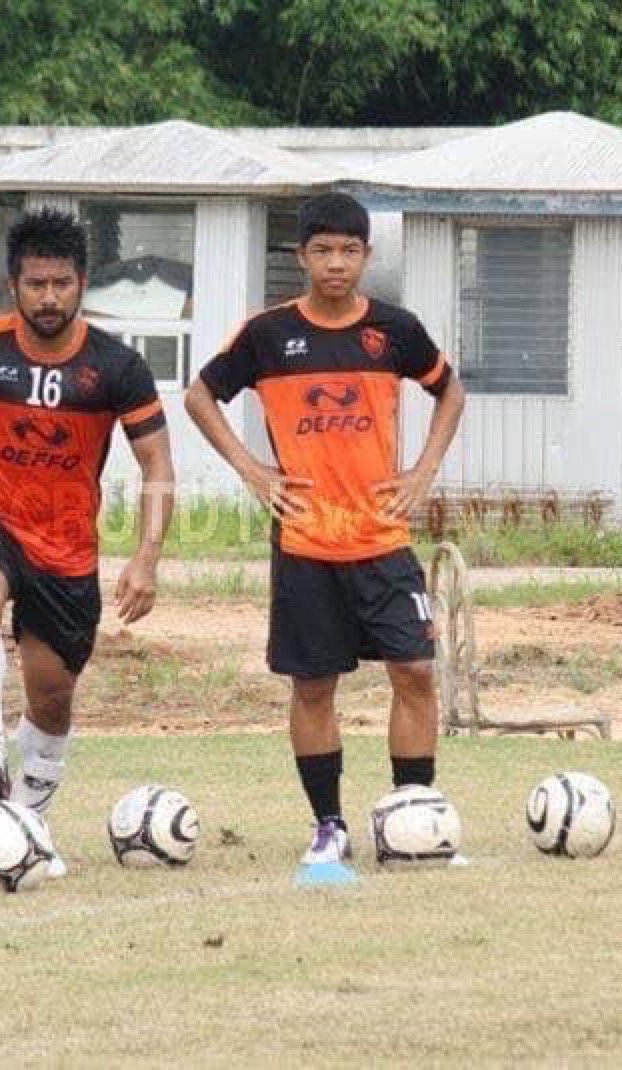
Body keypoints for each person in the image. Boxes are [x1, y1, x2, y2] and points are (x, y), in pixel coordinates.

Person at [184, 192, 465, 867]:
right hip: (306, 543)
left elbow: (449, 391)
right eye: (323, 251)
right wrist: (253, 469)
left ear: (366, 256)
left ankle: (412, 816)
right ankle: (328, 826)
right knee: (313, 687)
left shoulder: (394, 330)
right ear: (302, 256)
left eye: (349, 251)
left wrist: (424, 470)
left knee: (415, 671)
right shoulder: (267, 334)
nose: (336, 263)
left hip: (383, 539)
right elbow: (199, 395)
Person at [0, 209, 174, 876]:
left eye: (61, 284)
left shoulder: (117, 365)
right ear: (12, 285)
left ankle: (23, 824)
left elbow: (157, 465)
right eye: (35, 284)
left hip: (67, 548)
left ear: (83, 283)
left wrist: (146, 557)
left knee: (51, 698)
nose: (49, 297)